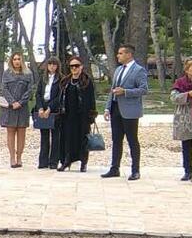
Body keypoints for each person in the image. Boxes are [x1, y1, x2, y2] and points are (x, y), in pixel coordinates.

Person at [102, 44, 148, 181]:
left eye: (121, 53)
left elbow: (143, 90)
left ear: (129, 55)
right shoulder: (117, 70)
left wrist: (126, 92)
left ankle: (135, 170)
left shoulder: (139, 70)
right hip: (116, 108)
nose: (118, 56)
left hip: (130, 110)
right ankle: (114, 168)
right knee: (116, 140)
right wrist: (107, 108)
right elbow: (113, 89)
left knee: (132, 140)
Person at [57, 57, 97, 172]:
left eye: (76, 66)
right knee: (68, 139)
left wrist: (91, 115)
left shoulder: (86, 81)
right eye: (72, 66)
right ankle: (66, 161)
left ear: (81, 66)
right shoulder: (65, 81)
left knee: (83, 138)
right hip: (68, 115)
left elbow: (91, 99)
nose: (74, 68)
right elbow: (61, 98)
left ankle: (83, 163)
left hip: (82, 115)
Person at [0, 52, 34, 168]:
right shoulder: (7, 73)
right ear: (11, 61)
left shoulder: (28, 74)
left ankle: (19, 157)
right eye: (14, 59)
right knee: (10, 132)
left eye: (19, 59)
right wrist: (12, 102)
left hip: (22, 107)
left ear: (22, 60)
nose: (17, 61)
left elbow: (30, 90)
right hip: (10, 108)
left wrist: (20, 102)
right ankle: (12, 158)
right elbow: (4, 89)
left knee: (21, 133)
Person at [34, 57, 62, 169]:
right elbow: (38, 94)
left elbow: (59, 96)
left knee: (55, 136)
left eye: (54, 65)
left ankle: (53, 161)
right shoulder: (43, 78)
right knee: (44, 135)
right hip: (43, 106)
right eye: (50, 64)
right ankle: (43, 161)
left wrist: (50, 108)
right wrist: (40, 108)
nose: (52, 67)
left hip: (54, 108)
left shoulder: (60, 79)